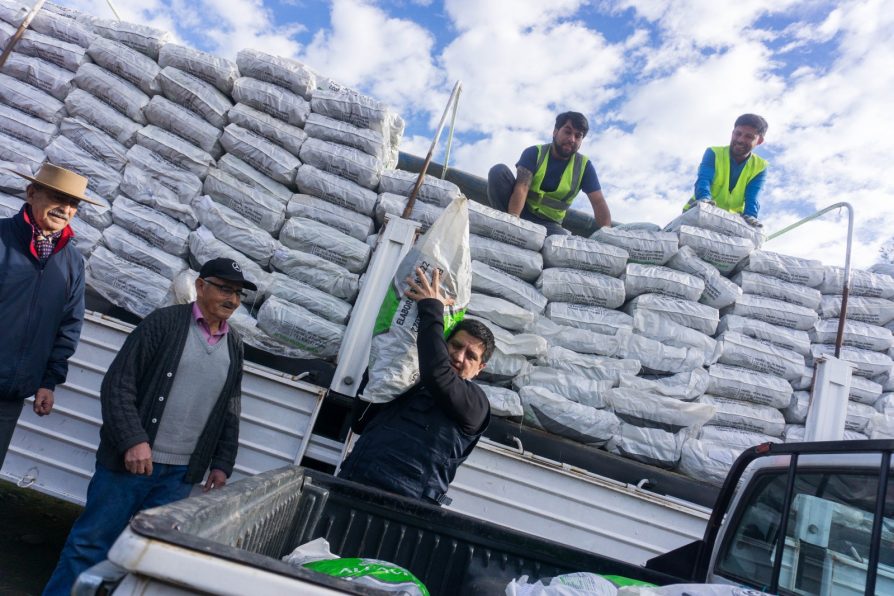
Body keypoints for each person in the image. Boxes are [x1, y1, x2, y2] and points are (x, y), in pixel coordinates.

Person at [43, 258, 254, 595]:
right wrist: (133, 440)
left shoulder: (235, 344)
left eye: (239, 294)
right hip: (130, 465)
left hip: (179, 476)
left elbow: (229, 407)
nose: (233, 300)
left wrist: (222, 462)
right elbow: (118, 385)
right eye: (225, 289)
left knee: (145, 560)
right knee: (90, 546)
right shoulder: (164, 324)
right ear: (201, 287)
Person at [338, 267, 495, 506]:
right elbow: (359, 423)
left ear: (479, 369)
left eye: (470, 355)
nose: (459, 357)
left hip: (406, 512)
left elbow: (437, 374)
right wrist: (382, 364)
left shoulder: (475, 404)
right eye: (456, 345)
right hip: (352, 485)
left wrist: (432, 308)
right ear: (444, 344)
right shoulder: (411, 382)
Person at [0, 163, 103, 469]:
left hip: (10, 396)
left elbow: (69, 326)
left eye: (73, 203)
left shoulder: (71, 262)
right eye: (58, 197)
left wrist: (49, 381)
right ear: (31, 193)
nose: (65, 208)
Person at [487, 111, 612, 236]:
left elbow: (598, 202)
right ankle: (506, 226)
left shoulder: (584, 167)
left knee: (562, 246)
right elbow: (522, 187)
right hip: (521, 209)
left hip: (550, 224)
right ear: (555, 132)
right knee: (499, 172)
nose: (572, 139)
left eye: (578, 136)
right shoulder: (534, 153)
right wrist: (513, 221)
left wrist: (607, 236)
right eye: (567, 132)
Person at [685, 113, 769, 227]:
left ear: (759, 141)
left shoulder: (760, 166)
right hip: (699, 209)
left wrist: (751, 215)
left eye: (749, 137)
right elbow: (704, 179)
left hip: (729, 221)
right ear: (732, 133)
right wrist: (704, 199)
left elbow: (753, 196)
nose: (740, 140)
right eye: (737, 133)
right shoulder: (714, 153)